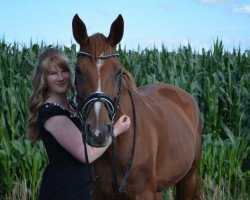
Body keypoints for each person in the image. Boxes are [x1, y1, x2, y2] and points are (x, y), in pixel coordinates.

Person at [28, 48, 130, 200]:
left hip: (80, 189)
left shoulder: (71, 106)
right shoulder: (52, 114)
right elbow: (86, 154)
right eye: (53, 73)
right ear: (43, 79)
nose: (61, 77)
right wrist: (115, 131)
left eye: (64, 71)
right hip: (63, 191)